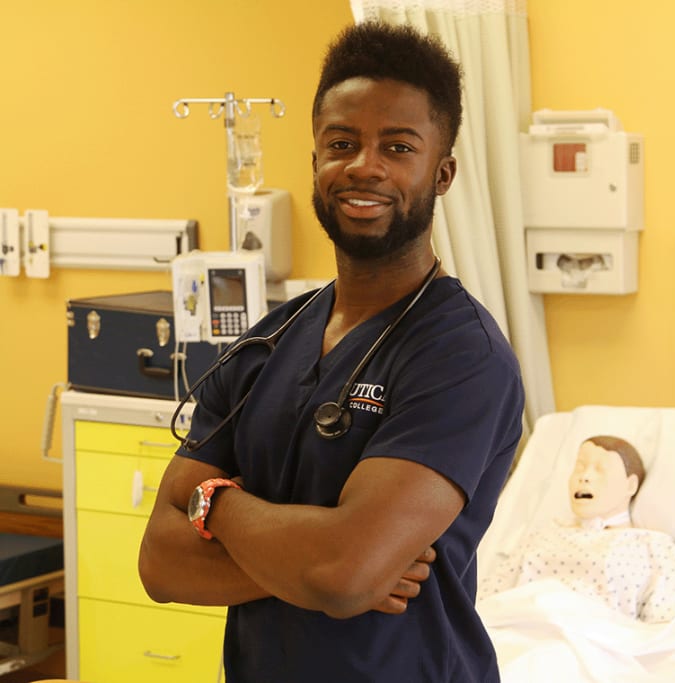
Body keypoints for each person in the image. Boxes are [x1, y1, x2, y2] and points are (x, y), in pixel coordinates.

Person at [138, 21, 525, 683]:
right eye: (341, 143)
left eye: (397, 146)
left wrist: (213, 504)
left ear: (442, 172)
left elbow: (344, 571)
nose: (364, 165)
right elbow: (160, 564)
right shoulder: (266, 344)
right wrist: (321, 569)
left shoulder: (462, 356)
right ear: (316, 161)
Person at [478, 436, 675, 623]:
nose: (585, 477)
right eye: (579, 468)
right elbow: (488, 598)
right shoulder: (542, 535)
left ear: (630, 485)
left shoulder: (651, 545)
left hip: (595, 641)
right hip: (519, 629)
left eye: (600, 469)